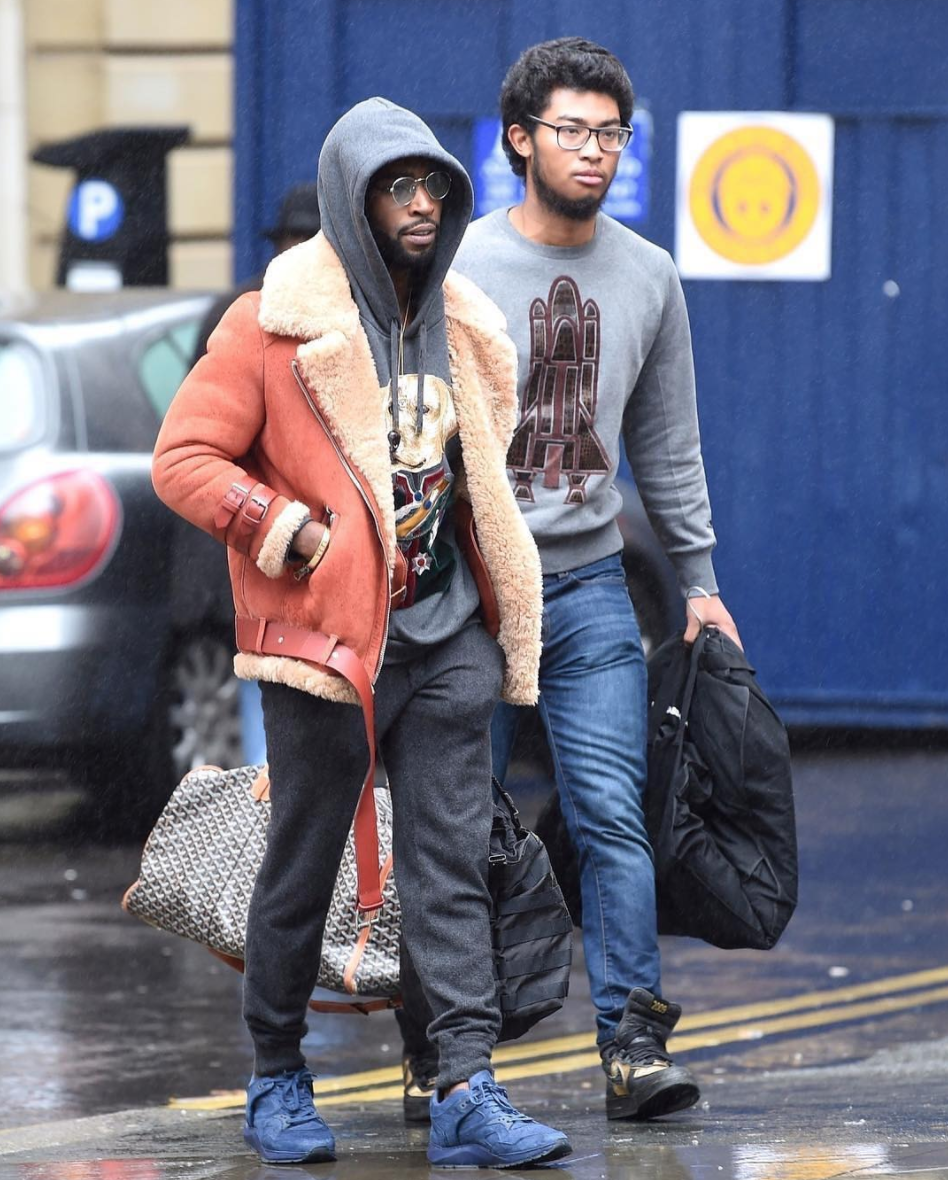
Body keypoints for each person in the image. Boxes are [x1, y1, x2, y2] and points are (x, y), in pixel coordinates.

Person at [151, 97, 572, 1169]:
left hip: (445, 635)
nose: (423, 203)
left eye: (434, 186)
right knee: (301, 860)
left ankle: (465, 1086)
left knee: (451, 863)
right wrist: (284, 529)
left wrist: (493, 584)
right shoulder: (269, 323)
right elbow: (184, 459)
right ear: (353, 197)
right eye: (399, 186)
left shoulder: (467, 322)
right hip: (323, 646)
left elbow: (475, 473)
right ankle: (277, 1077)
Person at [396, 38, 743, 1124]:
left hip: (591, 588)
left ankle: (633, 1043)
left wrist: (698, 577)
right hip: (462, 594)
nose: (594, 152)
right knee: (454, 825)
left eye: (611, 135)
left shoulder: (649, 276)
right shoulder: (451, 272)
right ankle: (439, 1051)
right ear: (517, 141)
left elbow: (668, 445)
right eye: (573, 131)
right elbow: (404, 435)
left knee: (611, 815)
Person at [189, 182, 323, 767]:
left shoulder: (267, 308)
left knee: (276, 732)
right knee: (269, 733)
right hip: (252, 545)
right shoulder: (251, 316)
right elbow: (200, 449)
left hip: (266, 549)